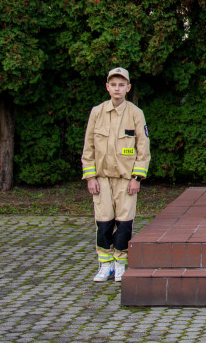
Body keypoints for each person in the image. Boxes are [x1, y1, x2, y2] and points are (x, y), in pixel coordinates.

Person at [81, 67, 151, 283]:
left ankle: (120, 263)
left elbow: (143, 148)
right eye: (113, 85)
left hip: (126, 180)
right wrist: (90, 177)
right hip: (101, 179)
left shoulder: (135, 114)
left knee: (124, 223)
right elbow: (89, 147)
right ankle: (105, 265)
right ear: (107, 87)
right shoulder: (97, 112)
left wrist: (136, 178)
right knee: (103, 223)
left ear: (128, 88)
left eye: (122, 85)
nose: (117, 88)